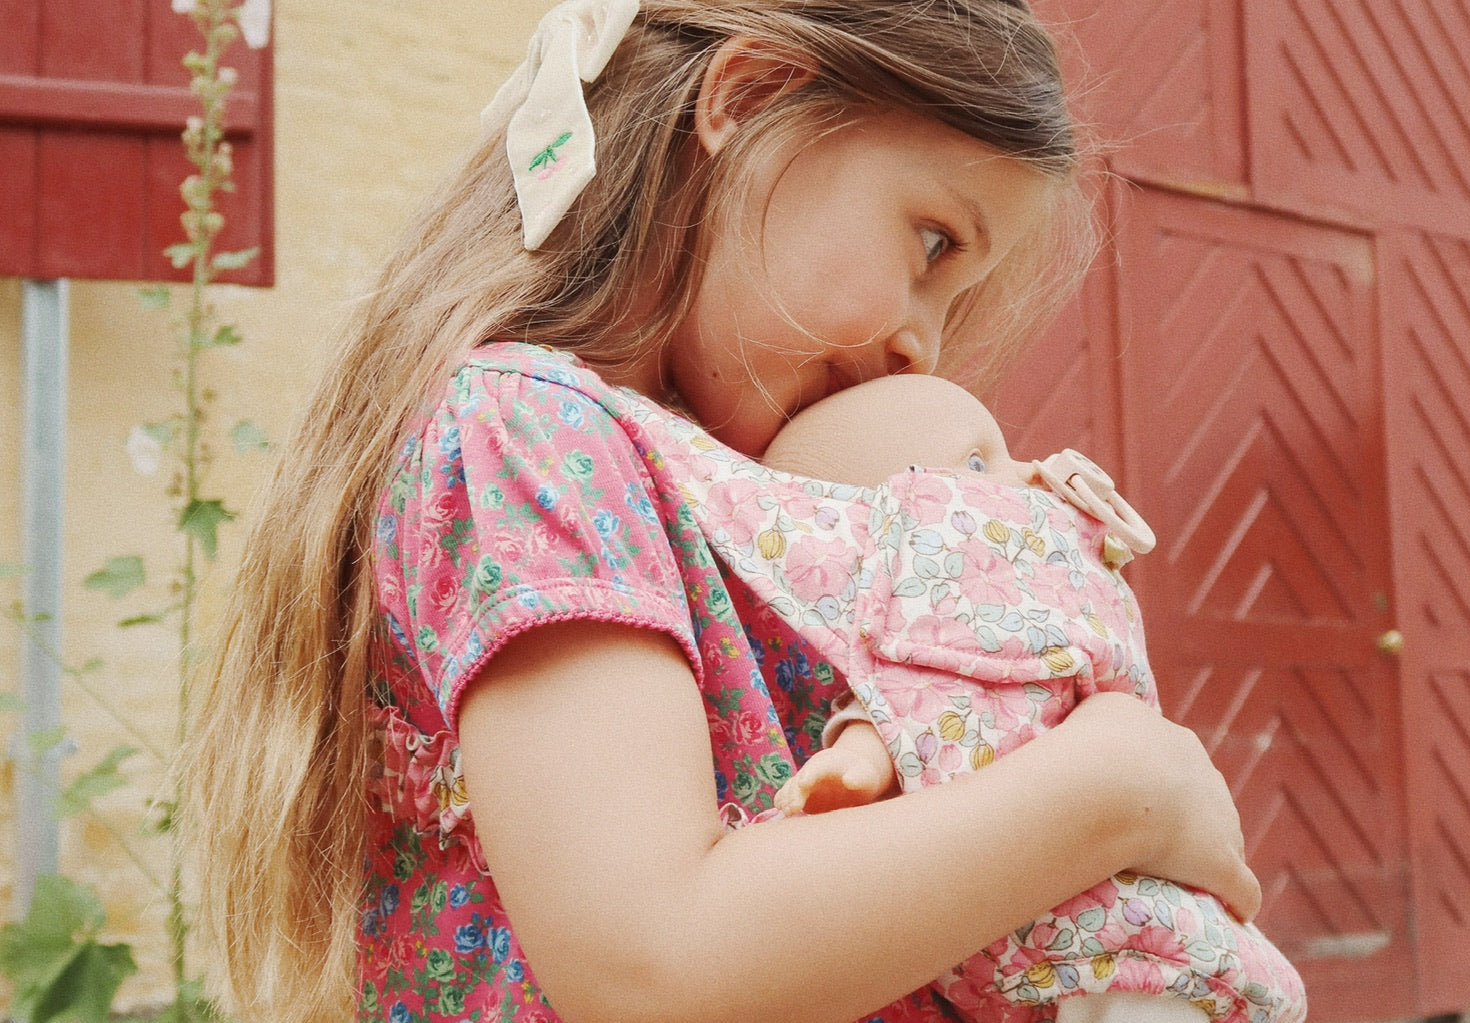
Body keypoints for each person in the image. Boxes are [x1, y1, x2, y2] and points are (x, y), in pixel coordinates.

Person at [183, 3, 1268, 1023]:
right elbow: (652, 959)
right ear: (747, 101)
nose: (923, 345)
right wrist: (1125, 785)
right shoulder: (529, 430)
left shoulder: (684, 483)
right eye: (934, 243)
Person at [629, 371, 1304, 1023]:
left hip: (1134, 902)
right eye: (981, 463)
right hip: (1056, 918)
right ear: (900, 532)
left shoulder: (1057, 611)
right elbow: (891, 713)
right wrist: (855, 769)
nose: (1033, 472)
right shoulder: (916, 649)